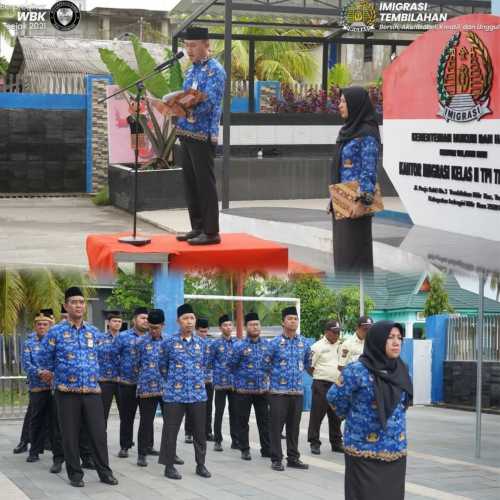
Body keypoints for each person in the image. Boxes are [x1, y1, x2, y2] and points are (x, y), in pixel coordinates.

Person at [41, 287, 118, 488]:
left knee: (98, 433)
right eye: (74, 302)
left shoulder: (93, 332)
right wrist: (47, 373)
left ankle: (105, 472)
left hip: (92, 391)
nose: (78, 305)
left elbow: (102, 358)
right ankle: (75, 474)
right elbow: (44, 360)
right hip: (66, 392)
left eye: (82, 302)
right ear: (66, 306)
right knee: (70, 434)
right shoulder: (55, 332)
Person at [327, 321, 413, 500]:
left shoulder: (402, 369)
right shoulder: (356, 370)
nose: (396, 342)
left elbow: (404, 402)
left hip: (395, 449)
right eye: (390, 338)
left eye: (399, 338)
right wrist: (354, 418)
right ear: (377, 340)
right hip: (363, 449)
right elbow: (335, 397)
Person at [172, 26, 226, 246]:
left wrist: (187, 107)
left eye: (193, 45)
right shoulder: (191, 70)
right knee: (190, 183)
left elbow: (210, 104)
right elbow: (187, 96)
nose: (190, 50)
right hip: (186, 132)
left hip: (203, 134)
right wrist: (173, 106)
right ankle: (197, 227)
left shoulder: (215, 71)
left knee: (205, 183)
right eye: (187, 46)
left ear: (206, 44)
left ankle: (211, 232)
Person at [330, 86, 381, 273]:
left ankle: (360, 300)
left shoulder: (367, 134)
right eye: (340, 101)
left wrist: (363, 202)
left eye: (343, 101)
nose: (339, 105)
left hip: (357, 205)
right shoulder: (348, 130)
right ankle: (345, 298)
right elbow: (341, 168)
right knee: (343, 256)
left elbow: (369, 170)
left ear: (355, 104)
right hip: (342, 200)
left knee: (356, 255)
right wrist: (333, 201)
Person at [158, 304, 211, 480]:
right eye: (185, 318)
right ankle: (169, 466)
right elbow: (162, 366)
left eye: (192, 318)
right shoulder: (169, 343)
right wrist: (174, 382)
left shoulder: (202, 344)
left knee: (199, 431)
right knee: (170, 430)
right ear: (178, 321)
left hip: (197, 394)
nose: (189, 322)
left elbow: (205, 365)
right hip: (175, 394)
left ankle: (201, 464)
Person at [267, 306, 311, 471]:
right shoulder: (274, 343)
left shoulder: (304, 342)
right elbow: (265, 364)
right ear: (283, 322)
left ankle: (293, 458)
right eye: (290, 318)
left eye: (295, 319)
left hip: (297, 392)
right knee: (276, 427)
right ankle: (276, 458)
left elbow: (308, 363)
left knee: (294, 428)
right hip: (278, 392)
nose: (293, 321)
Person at [22, 313, 63, 467]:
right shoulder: (29, 343)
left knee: (55, 421)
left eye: (45, 324)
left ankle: (57, 453)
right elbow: (27, 364)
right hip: (37, 387)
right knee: (36, 419)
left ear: (50, 326)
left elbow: (60, 361)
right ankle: (34, 451)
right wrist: (41, 373)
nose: (42, 327)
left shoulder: (55, 342)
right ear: (35, 326)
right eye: (39, 324)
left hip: (53, 387)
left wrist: (52, 374)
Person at [229, 311, 271, 461]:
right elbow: (231, 365)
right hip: (243, 390)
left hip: (262, 390)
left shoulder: (268, 345)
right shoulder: (239, 346)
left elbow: (271, 364)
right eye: (252, 324)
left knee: (264, 420)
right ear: (246, 327)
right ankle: (244, 449)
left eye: (257, 324)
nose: (255, 327)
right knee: (242, 420)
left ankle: (266, 448)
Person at [136, 309, 176, 467]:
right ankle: (141, 454)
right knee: (146, 422)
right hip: (146, 388)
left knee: (170, 422)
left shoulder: (170, 342)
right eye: (150, 327)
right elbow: (136, 364)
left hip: (167, 388)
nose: (153, 330)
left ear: (163, 326)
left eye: (156, 327)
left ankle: (170, 453)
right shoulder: (140, 343)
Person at [114, 306, 149, 458]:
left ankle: (148, 446)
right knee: (127, 417)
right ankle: (125, 446)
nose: (145, 321)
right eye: (142, 318)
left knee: (147, 418)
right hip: (127, 383)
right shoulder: (122, 337)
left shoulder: (151, 337)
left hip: (148, 385)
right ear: (134, 320)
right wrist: (118, 374)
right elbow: (113, 355)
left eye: (147, 319)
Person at [307, 319, 344, 455]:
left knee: (336, 415)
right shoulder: (316, 347)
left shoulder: (341, 346)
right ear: (326, 332)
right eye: (334, 332)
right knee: (317, 415)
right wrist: (321, 376)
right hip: (321, 384)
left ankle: (336, 443)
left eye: (338, 332)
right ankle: (314, 442)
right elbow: (309, 366)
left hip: (337, 385)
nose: (337, 335)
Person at [210, 314, 239, 452]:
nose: (228, 327)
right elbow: (209, 362)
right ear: (220, 327)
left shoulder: (237, 343)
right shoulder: (215, 344)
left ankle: (235, 440)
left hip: (234, 384)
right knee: (219, 412)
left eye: (230, 324)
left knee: (235, 412)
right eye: (225, 325)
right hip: (220, 383)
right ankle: (217, 440)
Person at [185, 318, 214, 443]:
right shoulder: (190, 343)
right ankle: (189, 432)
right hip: (193, 381)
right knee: (190, 407)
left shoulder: (211, 343)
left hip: (208, 381)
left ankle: (207, 431)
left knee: (208, 408)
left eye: (205, 332)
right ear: (196, 330)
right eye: (201, 331)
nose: (204, 334)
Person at [98, 311, 122, 425]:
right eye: (114, 321)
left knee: (125, 413)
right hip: (104, 380)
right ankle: (101, 440)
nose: (117, 323)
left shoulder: (125, 338)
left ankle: (125, 442)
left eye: (119, 321)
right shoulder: (99, 338)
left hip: (122, 381)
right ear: (108, 322)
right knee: (102, 413)